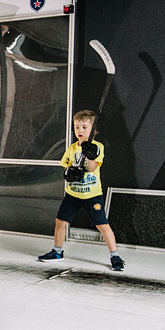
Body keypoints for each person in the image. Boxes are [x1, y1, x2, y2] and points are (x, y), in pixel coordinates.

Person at [38, 110, 125, 271]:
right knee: (60, 222)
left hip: (92, 195)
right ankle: (57, 252)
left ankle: (115, 257)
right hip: (72, 195)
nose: (80, 131)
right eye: (77, 127)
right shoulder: (71, 148)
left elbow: (92, 168)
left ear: (92, 129)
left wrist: (90, 155)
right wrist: (69, 174)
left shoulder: (97, 147)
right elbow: (65, 169)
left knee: (102, 225)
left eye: (84, 127)